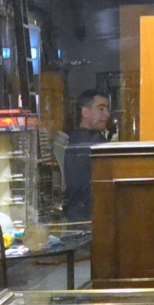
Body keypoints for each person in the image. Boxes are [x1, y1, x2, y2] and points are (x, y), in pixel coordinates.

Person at [59, 89, 111, 222]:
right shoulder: (92, 142)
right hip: (87, 217)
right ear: (85, 112)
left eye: (107, 109)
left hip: (79, 216)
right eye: (101, 109)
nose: (107, 114)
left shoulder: (73, 139)